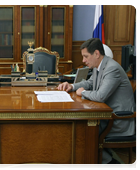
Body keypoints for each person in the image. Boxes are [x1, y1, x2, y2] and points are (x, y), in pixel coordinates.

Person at [57, 38, 136, 168]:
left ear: (97, 54)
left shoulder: (112, 68)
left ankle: (110, 164)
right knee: (79, 128)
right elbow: (89, 83)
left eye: (86, 56)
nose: (83, 60)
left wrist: (82, 93)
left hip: (118, 120)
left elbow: (100, 96)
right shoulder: (98, 66)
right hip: (106, 116)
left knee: (82, 131)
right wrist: (72, 86)